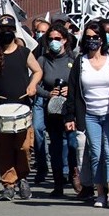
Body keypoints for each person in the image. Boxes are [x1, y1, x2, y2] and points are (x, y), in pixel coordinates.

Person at [0, 14, 42, 201]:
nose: (5, 33)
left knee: (23, 147)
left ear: (14, 32)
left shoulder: (24, 52)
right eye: (2, 30)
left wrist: (32, 85)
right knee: (4, 148)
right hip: (1, 108)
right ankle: (8, 184)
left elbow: (38, 70)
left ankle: (22, 178)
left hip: (22, 107)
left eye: (8, 30)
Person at [65, 20, 109, 208]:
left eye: (95, 37)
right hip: (90, 115)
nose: (92, 40)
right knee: (96, 154)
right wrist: (70, 116)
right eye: (88, 37)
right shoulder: (80, 62)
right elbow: (73, 90)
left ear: (102, 39)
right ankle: (100, 194)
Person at [33, 24, 74, 195]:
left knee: (71, 143)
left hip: (70, 110)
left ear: (64, 40)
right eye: (50, 39)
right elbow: (34, 85)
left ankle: (73, 174)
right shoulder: (43, 60)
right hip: (52, 110)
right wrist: (48, 94)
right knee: (56, 145)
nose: (53, 42)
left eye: (57, 39)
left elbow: (81, 83)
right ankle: (58, 183)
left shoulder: (74, 59)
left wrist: (70, 90)